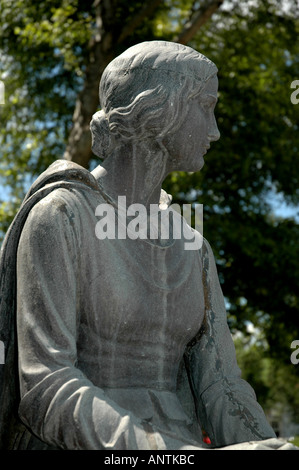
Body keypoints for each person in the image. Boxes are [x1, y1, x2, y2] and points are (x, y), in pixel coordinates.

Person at [0, 41, 291, 450]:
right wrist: (170, 452)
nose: (215, 131)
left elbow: (222, 385)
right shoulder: (61, 216)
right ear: (159, 109)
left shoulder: (193, 245)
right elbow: (46, 383)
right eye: (206, 107)